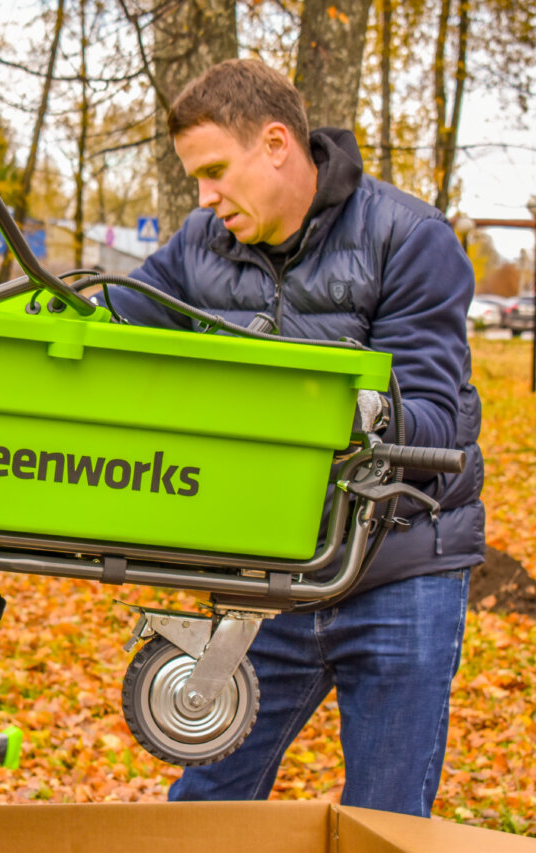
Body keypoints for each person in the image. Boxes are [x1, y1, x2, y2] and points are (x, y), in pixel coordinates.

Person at [106, 59, 483, 817]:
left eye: (214, 171)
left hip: (397, 569)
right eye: (195, 179)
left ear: (277, 143)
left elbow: (434, 423)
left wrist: (304, 400)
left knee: (386, 821)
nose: (205, 197)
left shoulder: (408, 239)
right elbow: (112, 322)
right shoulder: (197, 246)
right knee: (203, 807)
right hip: (269, 575)